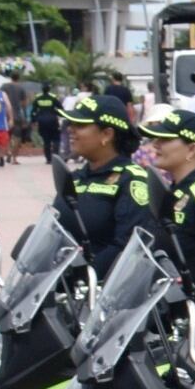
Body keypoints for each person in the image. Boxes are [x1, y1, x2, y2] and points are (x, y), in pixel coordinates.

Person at [58, 93, 163, 268]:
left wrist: (81, 274)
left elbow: (128, 246)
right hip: (64, 286)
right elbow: (53, 231)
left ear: (106, 134)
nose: (71, 129)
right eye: (71, 123)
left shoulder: (132, 180)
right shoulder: (76, 177)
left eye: (80, 125)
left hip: (99, 287)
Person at [138, 106, 195, 293]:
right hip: (161, 298)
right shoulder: (172, 190)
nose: (155, 144)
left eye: (165, 139)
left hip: (187, 307)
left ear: (192, 148)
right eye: (156, 138)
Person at [30, 83, 63, 157]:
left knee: (46, 140)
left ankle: (48, 158)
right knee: (56, 139)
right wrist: (57, 114)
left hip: (42, 122)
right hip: (53, 121)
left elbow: (33, 111)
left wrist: (34, 120)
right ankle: (56, 156)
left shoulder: (38, 98)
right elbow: (61, 108)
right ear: (49, 89)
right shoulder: (53, 97)